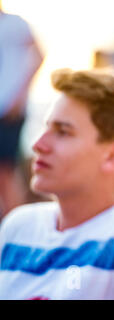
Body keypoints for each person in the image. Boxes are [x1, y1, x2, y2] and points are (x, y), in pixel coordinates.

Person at [0, 68, 114, 300]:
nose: (39, 144)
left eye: (62, 132)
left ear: (112, 156)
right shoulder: (18, 226)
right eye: (45, 127)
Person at [0, 3, 44, 218]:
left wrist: (20, 94)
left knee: (5, 171)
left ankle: (16, 225)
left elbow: (39, 54)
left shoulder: (16, 24)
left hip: (9, 109)